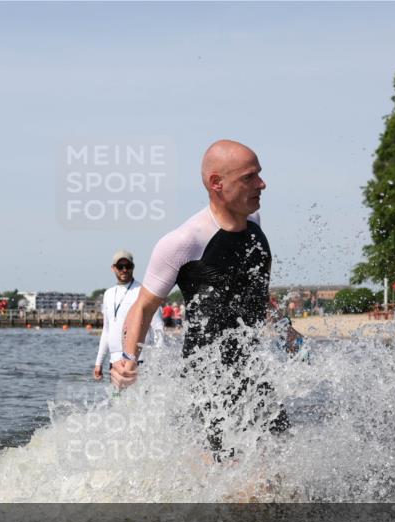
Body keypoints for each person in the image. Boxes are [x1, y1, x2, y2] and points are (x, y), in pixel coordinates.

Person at [110, 140, 301, 452]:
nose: (261, 184)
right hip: (207, 380)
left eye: (259, 174)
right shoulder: (183, 242)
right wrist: (127, 360)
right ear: (217, 183)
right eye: (249, 177)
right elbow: (142, 307)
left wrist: (286, 331)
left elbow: (251, 293)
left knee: (280, 461)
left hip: (253, 373)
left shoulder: (254, 223)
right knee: (227, 471)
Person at [93, 251, 164, 380]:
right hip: (115, 361)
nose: (124, 270)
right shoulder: (108, 294)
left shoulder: (145, 292)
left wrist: (158, 361)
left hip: (140, 360)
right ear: (113, 268)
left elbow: (158, 328)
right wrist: (99, 362)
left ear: (133, 267)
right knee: (116, 394)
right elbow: (106, 331)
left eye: (128, 266)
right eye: (120, 266)